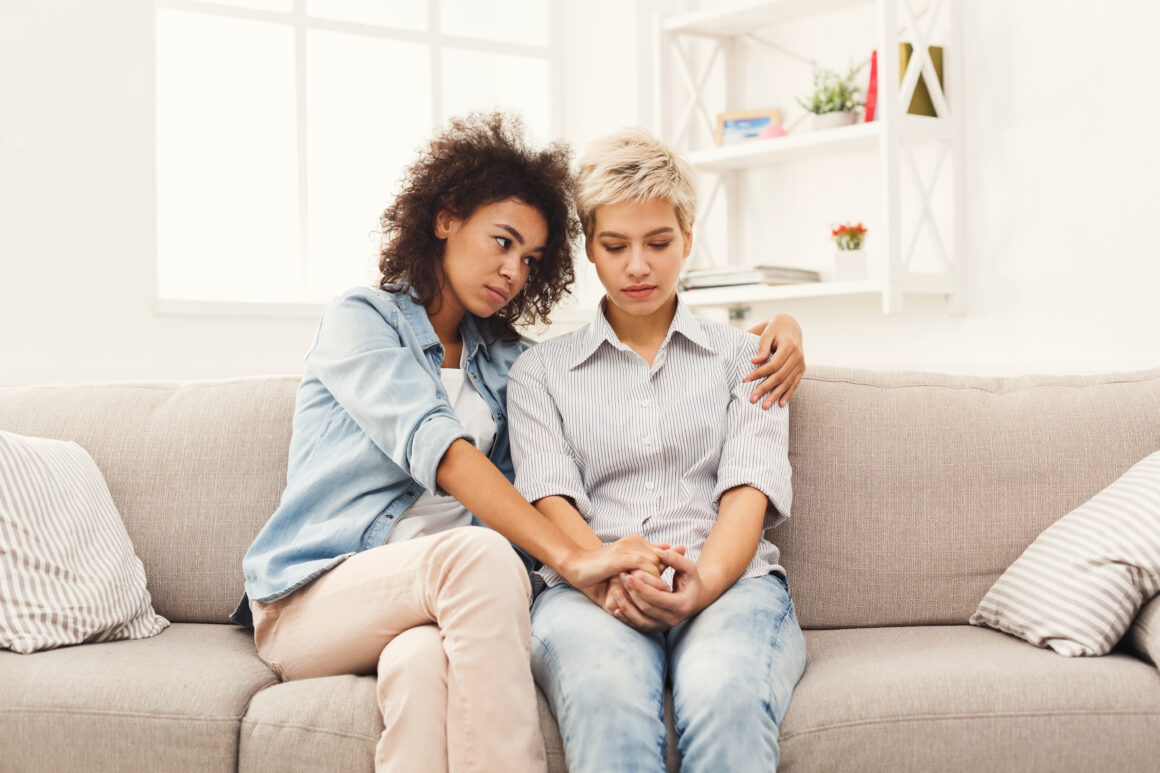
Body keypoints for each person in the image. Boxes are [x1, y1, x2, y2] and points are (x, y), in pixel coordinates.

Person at [231, 113, 805, 773]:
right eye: (501, 242)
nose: (511, 271)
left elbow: (630, 363)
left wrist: (784, 325)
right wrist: (580, 561)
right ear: (446, 218)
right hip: (321, 589)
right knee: (481, 557)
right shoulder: (361, 321)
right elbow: (441, 450)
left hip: (427, 607)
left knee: (420, 675)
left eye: (529, 259)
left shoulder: (508, 360)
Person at [508, 127, 807, 773]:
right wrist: (604, 575)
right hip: (589, 589)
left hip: (732, 586)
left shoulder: (748, 358)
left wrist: (701, 585)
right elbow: (548, 496)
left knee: (725, 692)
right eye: (615, 245)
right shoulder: (539, 374)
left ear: (689, 237)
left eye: (659, 242)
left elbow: (748, 491)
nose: (637, 265)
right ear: (589, 245)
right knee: (604, 697)